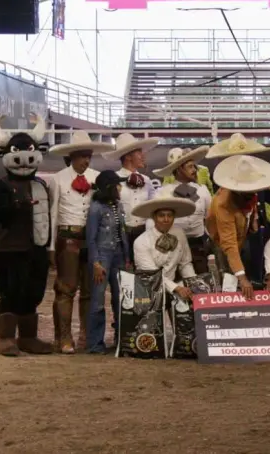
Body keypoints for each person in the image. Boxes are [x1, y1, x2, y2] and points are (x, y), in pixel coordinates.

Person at [0, 116, 53, 357]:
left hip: (37, 248)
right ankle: (5, 338)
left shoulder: (41, 185)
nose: (24, 158)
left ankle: (28, 337)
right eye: (16, 151)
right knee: (10, 291)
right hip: (10, 249)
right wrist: (20, 205)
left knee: (34, 291)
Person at [48, 131, 115, 354]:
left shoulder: (97, 177)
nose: (86, 160)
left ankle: (86, 334)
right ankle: (64, 336)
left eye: (89, 156)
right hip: (67, 237)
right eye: (82, 156)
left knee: (89, 290)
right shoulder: (58, 179)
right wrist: (50, 246)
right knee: (66, 289)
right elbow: (53, 213)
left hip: (91, 240)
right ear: (72, 156)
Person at [206, 147, 270, 299]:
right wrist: (242, 277)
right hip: (222, 243)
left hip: (244, 236)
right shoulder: (223, 206)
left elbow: (250, 208)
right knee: (228, 279)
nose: (254, 192)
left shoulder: (248, 195)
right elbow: (229, 245)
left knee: (247, 271)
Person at [85, 170, 129, 354]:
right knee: (98, 301)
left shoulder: (118, 205)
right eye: (118, 184)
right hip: (102, 257)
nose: (121, 187)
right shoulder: (96, 208)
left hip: (117, 255)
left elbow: (123, 234)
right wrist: (95, 262)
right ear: (111, 187)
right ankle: (95, 344)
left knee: (121, 299)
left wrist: (127, 257)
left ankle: (121, 341)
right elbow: (91, 238)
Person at [153, 146, 212, 274]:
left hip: (198, 245)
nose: (195, 170)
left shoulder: (203, 190)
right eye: (190, 167)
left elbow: (210, 217)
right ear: (179, 169)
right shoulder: (164, 193)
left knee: (202, 280)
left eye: (194, 166)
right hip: (172, 246)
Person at [132, 191, 199, 301]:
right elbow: (152, 275)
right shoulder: (141, 241)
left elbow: (185, 263)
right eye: (161, 216)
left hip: (174, 286)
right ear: (154, 217)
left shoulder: (179, 234)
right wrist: (176, 288)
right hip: (149, 290)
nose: (166, 219)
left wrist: (193, 284)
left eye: (170, 215)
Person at [102, 133, 159, 259]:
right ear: (128, 156)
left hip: (145, 234)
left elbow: (154, 207)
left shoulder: (147, 180)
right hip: (121, 236)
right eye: (139, 152)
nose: (143, 156)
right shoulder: (113, 180)